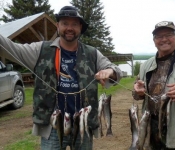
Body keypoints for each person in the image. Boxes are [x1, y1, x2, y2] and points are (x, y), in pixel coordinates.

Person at [0, 6, 122, 150]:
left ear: (80, 28)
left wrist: (109, 71)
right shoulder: (40, 50)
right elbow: (10, 49)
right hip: (52, 126)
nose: (69, 28)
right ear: (57, 26)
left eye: (74, 24)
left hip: (83, 122)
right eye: (65, 23)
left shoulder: (92, 54)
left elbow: (116, 71)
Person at [133, 21, 175, 150]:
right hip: (152, 133)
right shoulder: (145, 65)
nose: (164, 39)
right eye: (159, 36)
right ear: (154, 40)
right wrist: (138, 91)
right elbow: (136, 94)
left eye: (168, 34)